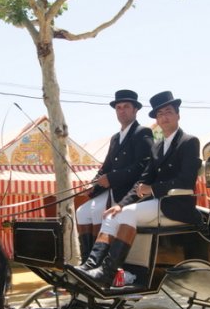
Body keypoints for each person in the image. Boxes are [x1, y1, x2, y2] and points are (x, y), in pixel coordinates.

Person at [72, 91, 202, 287]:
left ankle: (107, 272)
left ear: (178, 115)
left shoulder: (189, 141)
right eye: (159, 114)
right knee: (113, 214)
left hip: (175, 205)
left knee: (126, 215)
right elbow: (143, 180)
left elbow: (185, 180)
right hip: (156, 202)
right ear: (156, 119)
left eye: (168, 112)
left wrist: (153, 189)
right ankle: (92, 265)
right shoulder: (158, 147)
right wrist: (121, 205)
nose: (164, 117)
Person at [75, 89, 154, 262]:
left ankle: (99, 261)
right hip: (110, 189)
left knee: (98, 211)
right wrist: (92, 185)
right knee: (81, 212)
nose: (122, 111)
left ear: (135, 110)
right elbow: (105, 167)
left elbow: (143, 165)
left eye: (126, 107)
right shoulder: (115, 138)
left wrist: (112, 178)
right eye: (118, 107)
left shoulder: (142, 133)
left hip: (128, 191)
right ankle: (86, 259)